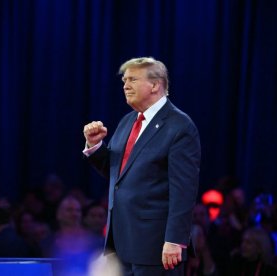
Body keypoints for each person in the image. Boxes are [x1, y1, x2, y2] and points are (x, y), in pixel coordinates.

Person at [83, 57, 201, 275]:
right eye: (124, 80)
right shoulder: (127, 121)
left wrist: (175, 240)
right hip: (120, 243)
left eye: (132, 79)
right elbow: (118, 175)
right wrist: (95, 145)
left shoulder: (179, 126)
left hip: (155, 246)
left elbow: (184, 190)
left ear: (155, 85)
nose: (125, 85)